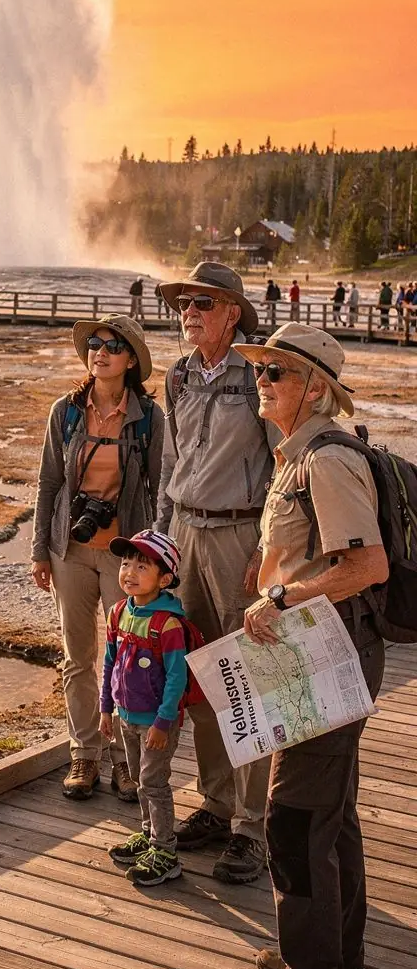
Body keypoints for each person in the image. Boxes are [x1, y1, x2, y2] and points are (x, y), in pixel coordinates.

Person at [230, 323, 387, 969]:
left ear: (315, 388)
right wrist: (268, 582)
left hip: (328, 652)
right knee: (332, 816)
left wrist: (283, 599)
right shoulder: (296, 455)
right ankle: (337, 962)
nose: (260, 381)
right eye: (260, 370)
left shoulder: (325, 459)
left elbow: (366, 567)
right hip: (313, 649)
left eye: (275, 373)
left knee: (293, 822)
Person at [154, 262, 275, 884]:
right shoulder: (177, 376)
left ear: (234, 312)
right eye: (184, 302)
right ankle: (217, 804)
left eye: (204, 302)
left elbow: (284, 463)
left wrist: (270, 547)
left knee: (247, 680)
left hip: (240, 534)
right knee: (200, 672)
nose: (190, 311)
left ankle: (252, 828)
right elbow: (170, 466)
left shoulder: (257, 373)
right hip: (185, 534)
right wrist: (158, 544)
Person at [32, 315, 164, 801]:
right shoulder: (65, 412)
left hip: (123, 557)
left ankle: (126, 763)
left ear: (131, 360)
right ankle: (84, 755)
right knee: (77, 658)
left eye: (112, 346)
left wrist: (156, 557)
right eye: (94, 344)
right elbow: (49, 484)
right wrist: (39, 549)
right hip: (69, 549)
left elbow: (159, 488)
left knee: (127, 657)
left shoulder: (149, 419)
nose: (100, 352)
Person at [102, 531, 192, 887]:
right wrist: (105, 708)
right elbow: (109, 662)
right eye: (126, 564)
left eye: (142, 566)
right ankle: (147, 832)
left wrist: (163, 721)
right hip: (125, 716)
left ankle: (165, 851)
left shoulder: (167, 624)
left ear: (164, 579)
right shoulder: (118, 612)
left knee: (154, 784)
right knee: (140, 781)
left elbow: (176, 678)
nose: (129, 572)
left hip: (157, 723)